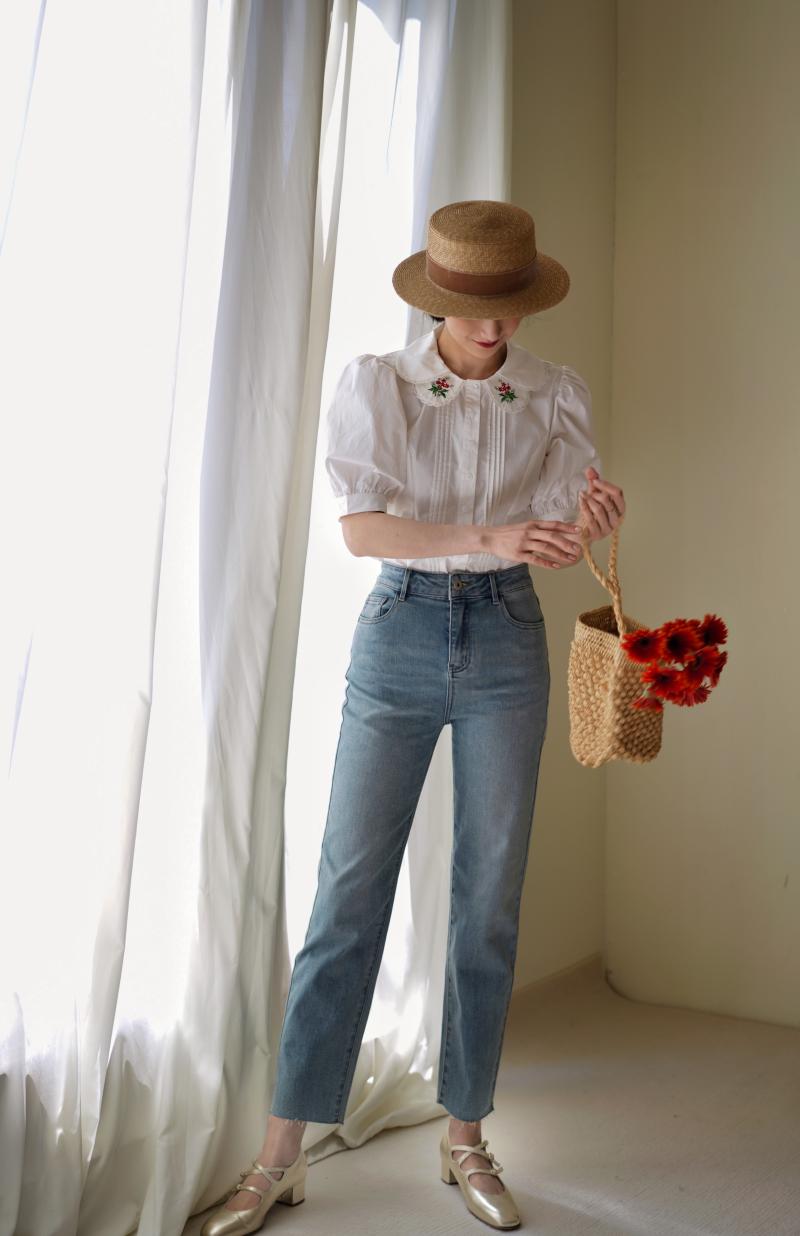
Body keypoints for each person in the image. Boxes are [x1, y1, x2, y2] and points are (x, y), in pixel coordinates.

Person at [201, 200, 625, 1235]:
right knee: (348, 890)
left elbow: (559, 525)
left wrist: (587, 526)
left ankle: (465, 1135)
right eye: (475, 308)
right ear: (437, 299)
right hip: (396, 628)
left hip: (507, 638)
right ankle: (279, 1155)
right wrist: (489, 529)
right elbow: (361, 530)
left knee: (487, 897)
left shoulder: (552, 392)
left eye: (509, 307)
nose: (494, 327)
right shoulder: (376, 386)